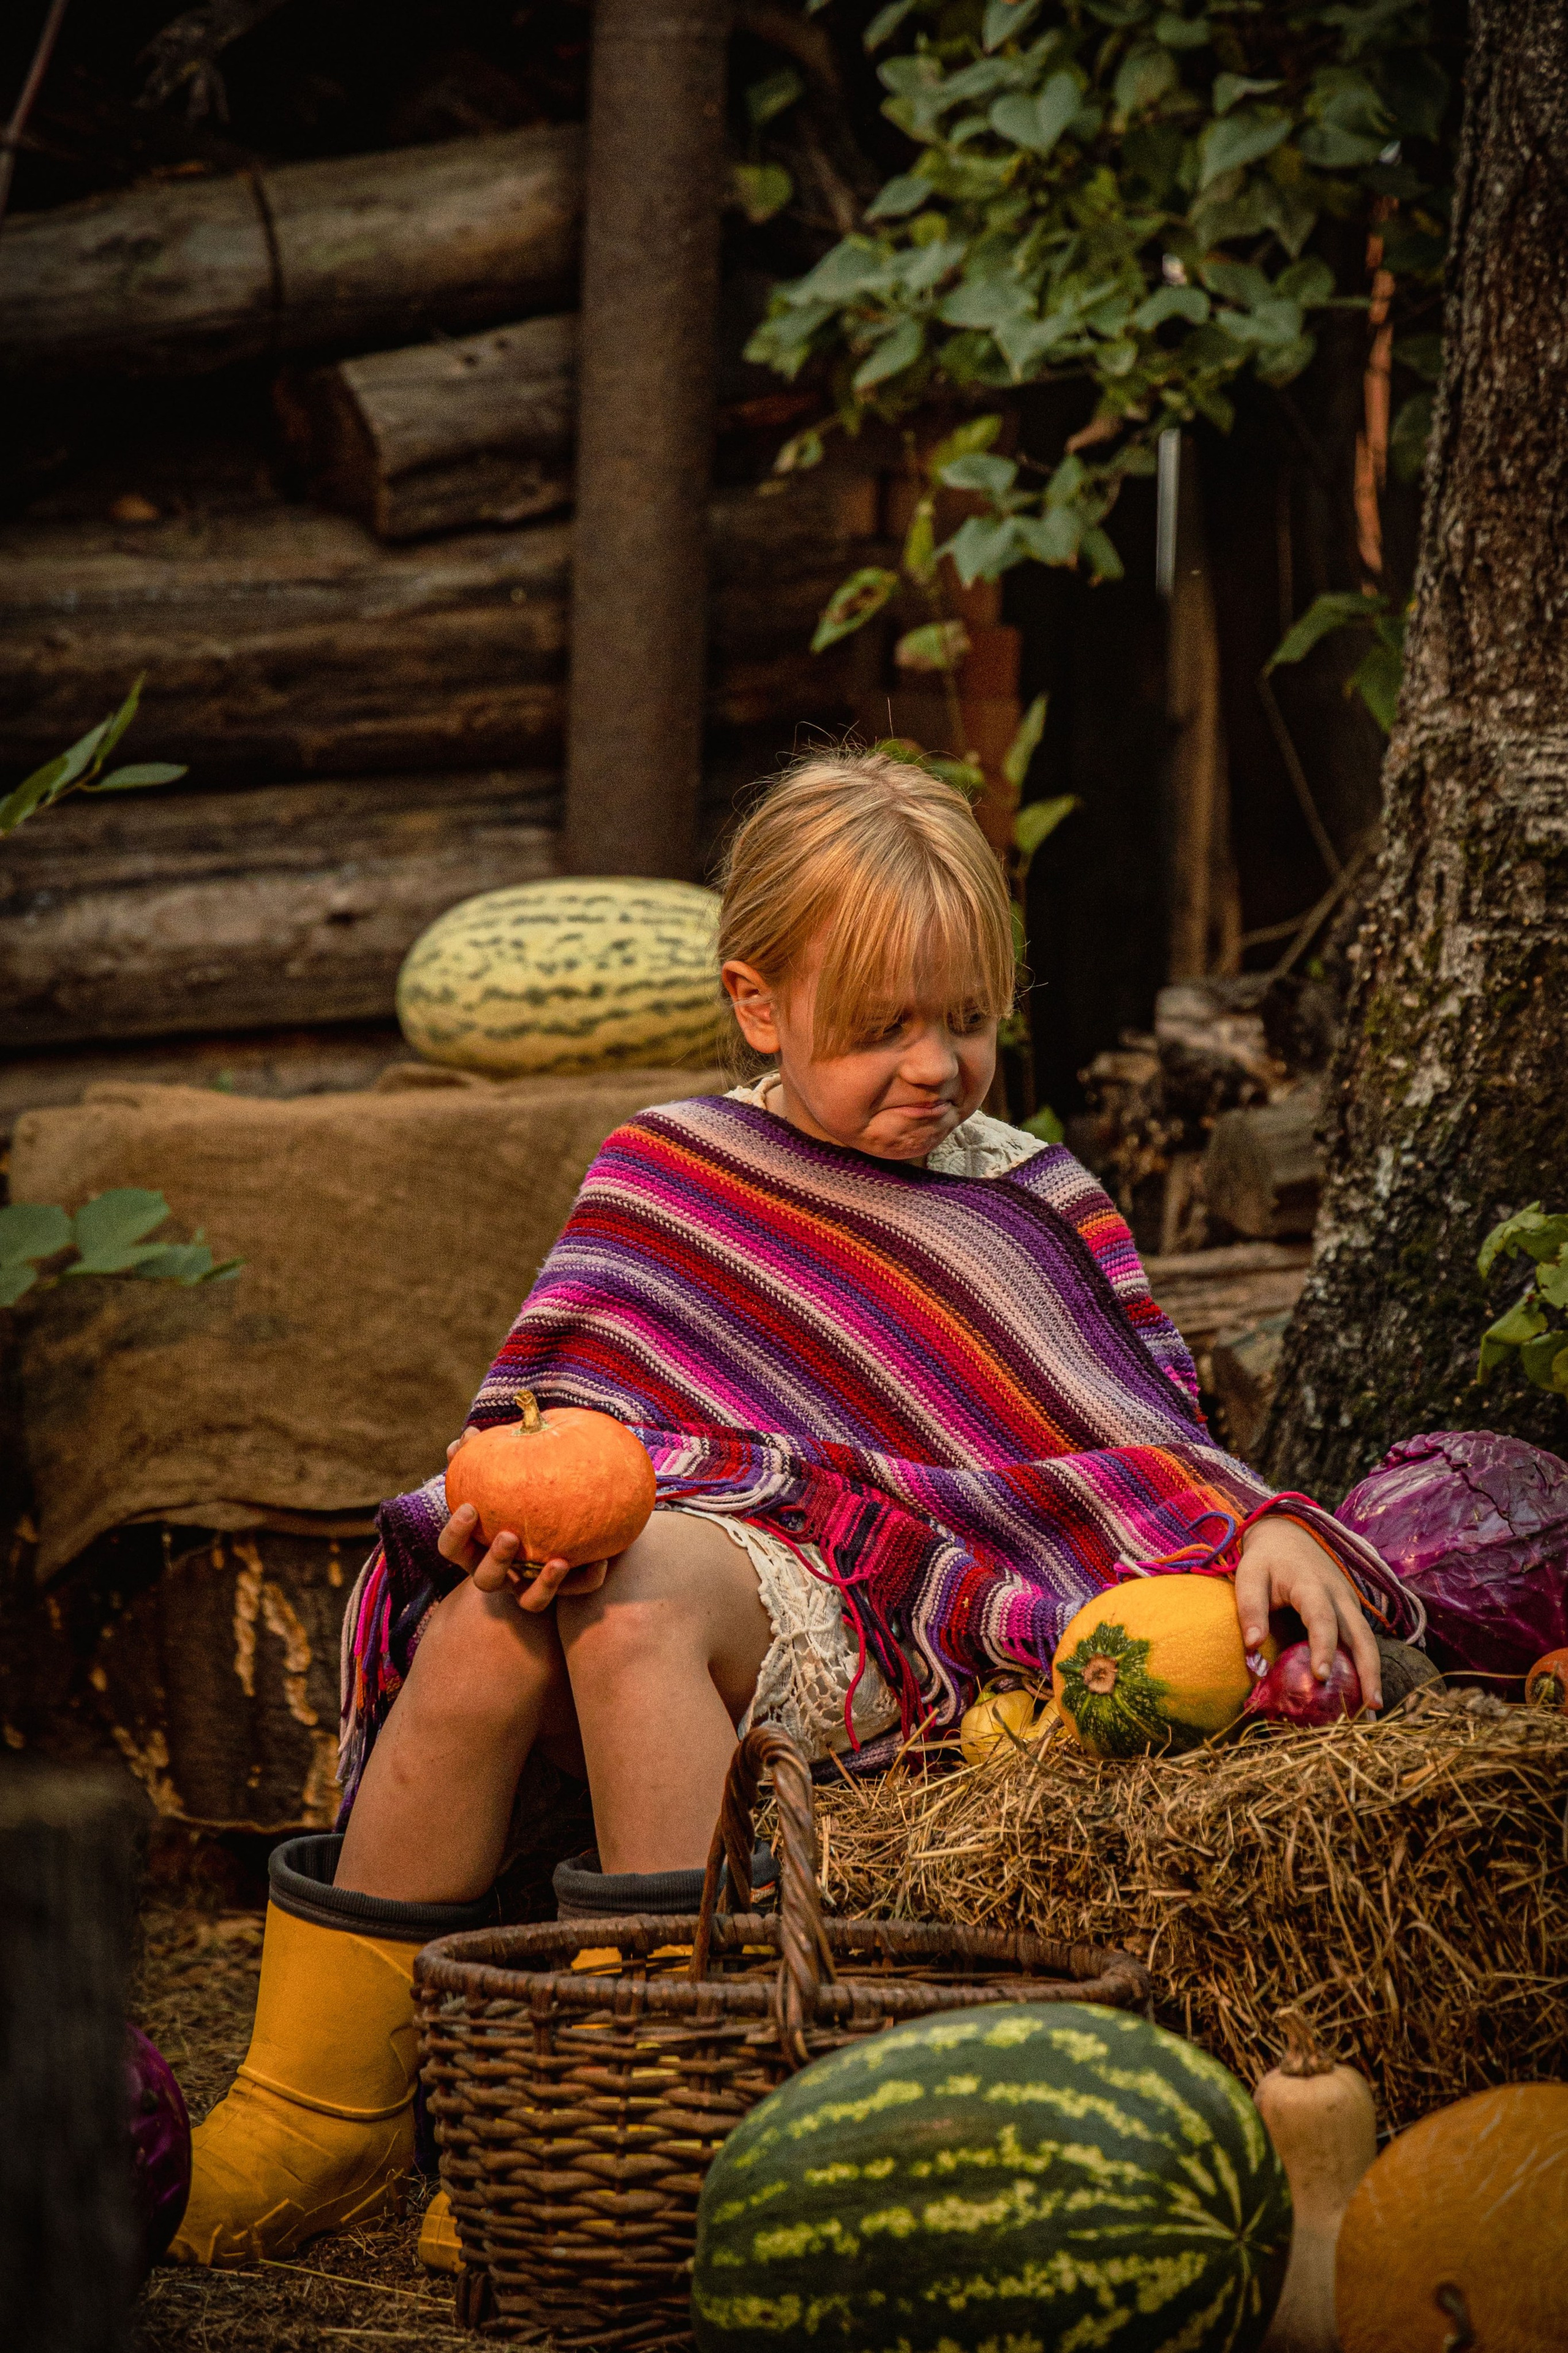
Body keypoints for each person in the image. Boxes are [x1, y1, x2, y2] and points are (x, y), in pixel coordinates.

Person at [172, 749, 1413, 2267]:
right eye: (878, 1028)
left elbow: (1121, 1439)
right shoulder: (666, 1167)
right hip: (663, 1540)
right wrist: (494, 1520)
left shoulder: (1027, 1200)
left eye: (964, 1021)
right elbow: (550, 1416)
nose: (932, 1066)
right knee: (488, 1623)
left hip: (879, 1608)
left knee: (629, 1606)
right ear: (760, 1005)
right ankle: (323, 2108)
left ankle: (649, 2091)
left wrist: (1257, 1522)